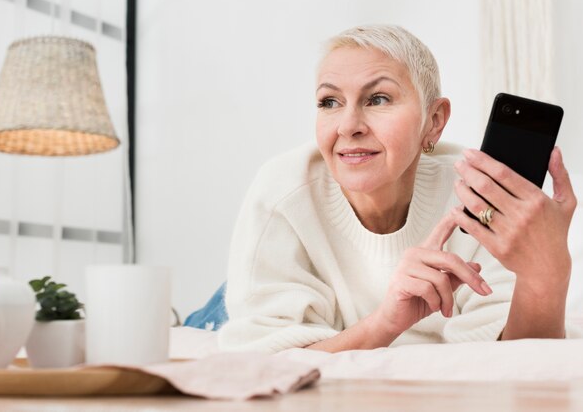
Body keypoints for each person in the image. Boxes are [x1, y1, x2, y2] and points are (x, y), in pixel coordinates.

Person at [217, 24, 580, 353]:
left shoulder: (476, 200)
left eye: (378, 99)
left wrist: (547, 272)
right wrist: (386, 322)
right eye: (330, 102)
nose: (348, 126)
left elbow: (522, 360)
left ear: (434, 122)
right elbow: (261, 363)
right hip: (240, 301)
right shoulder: (285, 190)